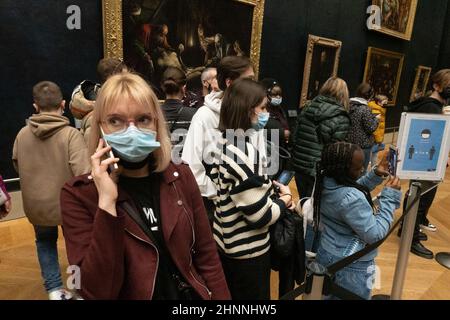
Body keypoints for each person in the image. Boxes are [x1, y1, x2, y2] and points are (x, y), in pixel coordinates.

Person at [60, 72, 230, 300]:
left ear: (156, 123)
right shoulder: (78, 195)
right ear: (100, 127)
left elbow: (207, 256)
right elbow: (94, 290)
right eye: (115, 121)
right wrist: (107, 205)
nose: (132, 131)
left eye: (143, 119)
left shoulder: (180, 176)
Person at [207, 78, 295, 300]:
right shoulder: (242, 152)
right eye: (263, 107)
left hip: (229, 245)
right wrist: (284, 200)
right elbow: (261, 216)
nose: (267, 112)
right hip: (246, 253)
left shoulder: (226, 142)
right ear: (247, 111)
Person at [12, 81, 91, 300]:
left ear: (35, 106)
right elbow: (82, 172)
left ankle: (55, 290)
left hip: (37, 206)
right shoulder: (70, 135)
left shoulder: (21, 134)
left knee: (45, 242)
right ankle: (77, 288)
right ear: (63, 104)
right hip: (69, 206)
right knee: (76, 245)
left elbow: (17, 164)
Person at [315, 142, 401, 300]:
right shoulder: (350, 199)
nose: (362, 170)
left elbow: (350, 191)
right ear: (342, 170)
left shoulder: (324, 180)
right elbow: (375, 235)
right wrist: (389, 198)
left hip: (326, 253)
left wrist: (375, 174)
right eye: (357, 168)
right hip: (353, 265)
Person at [182, 56, 257, 226]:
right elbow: (191, 167)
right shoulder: (204, 116)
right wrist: (220, 195)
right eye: (249, 80)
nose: (254, 85)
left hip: (251, 208)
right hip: (217, 213)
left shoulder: (252, 114)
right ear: (230, 82)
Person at [398, 69, 450, 259]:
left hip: (426, 160)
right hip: (424, 161)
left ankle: (407, 229)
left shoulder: (432, 105)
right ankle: (409, 238)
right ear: (437, 85)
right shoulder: (431, 107)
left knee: (419, 195)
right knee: (420, 198)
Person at [70, 58, 127, 144]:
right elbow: (91, 152)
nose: (129, 81)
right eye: (124, 77)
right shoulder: (94, 116)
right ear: (112, 77)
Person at [260, 78, 291, 179]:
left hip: (280, 150)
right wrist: (282, 133)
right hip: (267, 151)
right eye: (274, 95)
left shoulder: (280, 110)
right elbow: (259, 130)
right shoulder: (262, 112)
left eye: (279, 94)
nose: (277, 97)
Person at [346, 83, 379, 173]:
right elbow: (371, 128)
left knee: (349, 170)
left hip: (348, 144)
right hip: (363, 146)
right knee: (360, 172)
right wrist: (376, 119)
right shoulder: (365, 109)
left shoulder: (348, 105)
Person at [368, 94, 388, 166]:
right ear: (379, 102)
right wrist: (379, 139)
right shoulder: (376, 111)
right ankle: (371, 170)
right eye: (385, 102)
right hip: (374, 138)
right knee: (372, 155)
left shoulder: (380, 109)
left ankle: (373, 168)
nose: (386, 104)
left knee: (374, 154)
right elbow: (376, 128)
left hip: (376, 137)